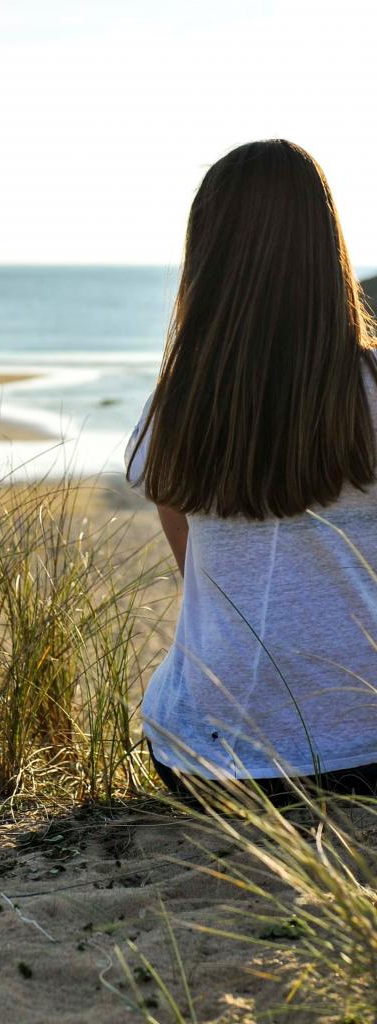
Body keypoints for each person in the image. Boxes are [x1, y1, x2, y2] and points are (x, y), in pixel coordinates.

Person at [126, 139, 377, 805]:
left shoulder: (178, 407)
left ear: (207, 257)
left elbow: (199, 578)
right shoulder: (372, 387)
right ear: (326, 248)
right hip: (367, 755)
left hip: (206, 762)